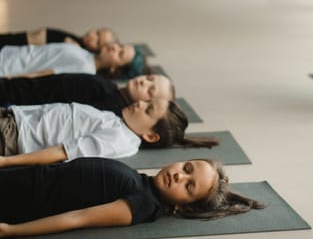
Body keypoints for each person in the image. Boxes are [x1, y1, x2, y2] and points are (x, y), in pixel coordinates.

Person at [0, 157, 264, 236]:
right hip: (23, 179)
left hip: (19, 199)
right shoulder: (142, 182)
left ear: (183, 207)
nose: (179, 176)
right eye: (186, 168)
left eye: (188, 186)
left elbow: (78, 218)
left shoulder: (143, 204)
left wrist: (11, 231)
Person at [0, 98, 218, 165]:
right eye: (147, 101)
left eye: (148, 109)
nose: (140, 102)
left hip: (13, 136)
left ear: (150, 135)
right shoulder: (119, 123)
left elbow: (64, 152)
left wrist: (7, 162)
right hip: (14, 119)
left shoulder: (120, 139)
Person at [0, 73, 175, 117]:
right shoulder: (110, 87)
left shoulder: (111, 105)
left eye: (150, 90)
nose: (144, 82)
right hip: (15, 88)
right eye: (149, 78)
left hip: (12, 101)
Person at [0, 42, 146, 80]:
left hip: (7, 69)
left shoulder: (84, 68)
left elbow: (43, 74)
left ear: (115, 68)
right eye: (120, 45)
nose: (115, 47)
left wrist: (7, 80)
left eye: (120, 54)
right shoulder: (85, 54)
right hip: (8, 55)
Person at [0, 27, 117, 53]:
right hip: (12, 42)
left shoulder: (74, 49)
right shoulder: (74, 39)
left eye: (97, 41)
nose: (92, 36)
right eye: (97, 33)